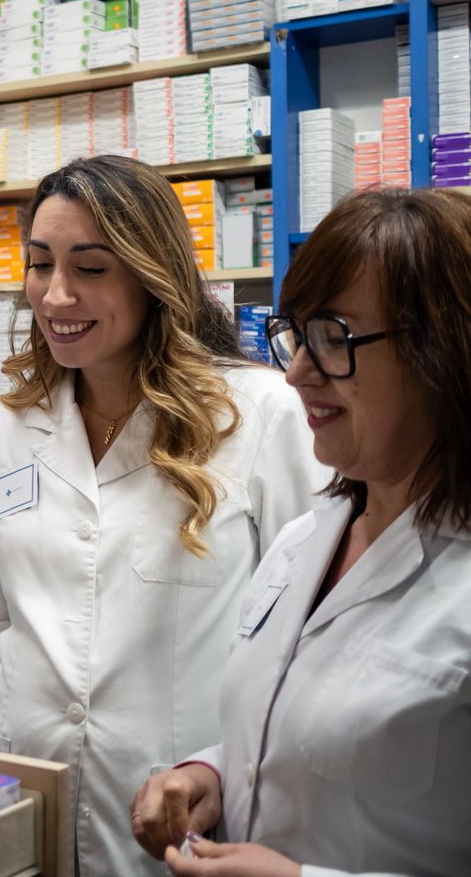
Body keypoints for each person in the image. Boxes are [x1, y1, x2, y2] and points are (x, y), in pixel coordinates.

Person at [0, 155, 327, 877]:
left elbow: (312, 638)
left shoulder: (260, 415)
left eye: (90, 268)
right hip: (22, 801)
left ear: (152, 275)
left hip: (186, 816)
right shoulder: (6, 432)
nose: (55, 295)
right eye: (40, 264)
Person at [130, 187, 471, 877]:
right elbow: (301, 737)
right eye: (298, 334)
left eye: (334, 339)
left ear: (443, 353)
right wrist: (210, 777)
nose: (297, 373)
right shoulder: (304, 542)